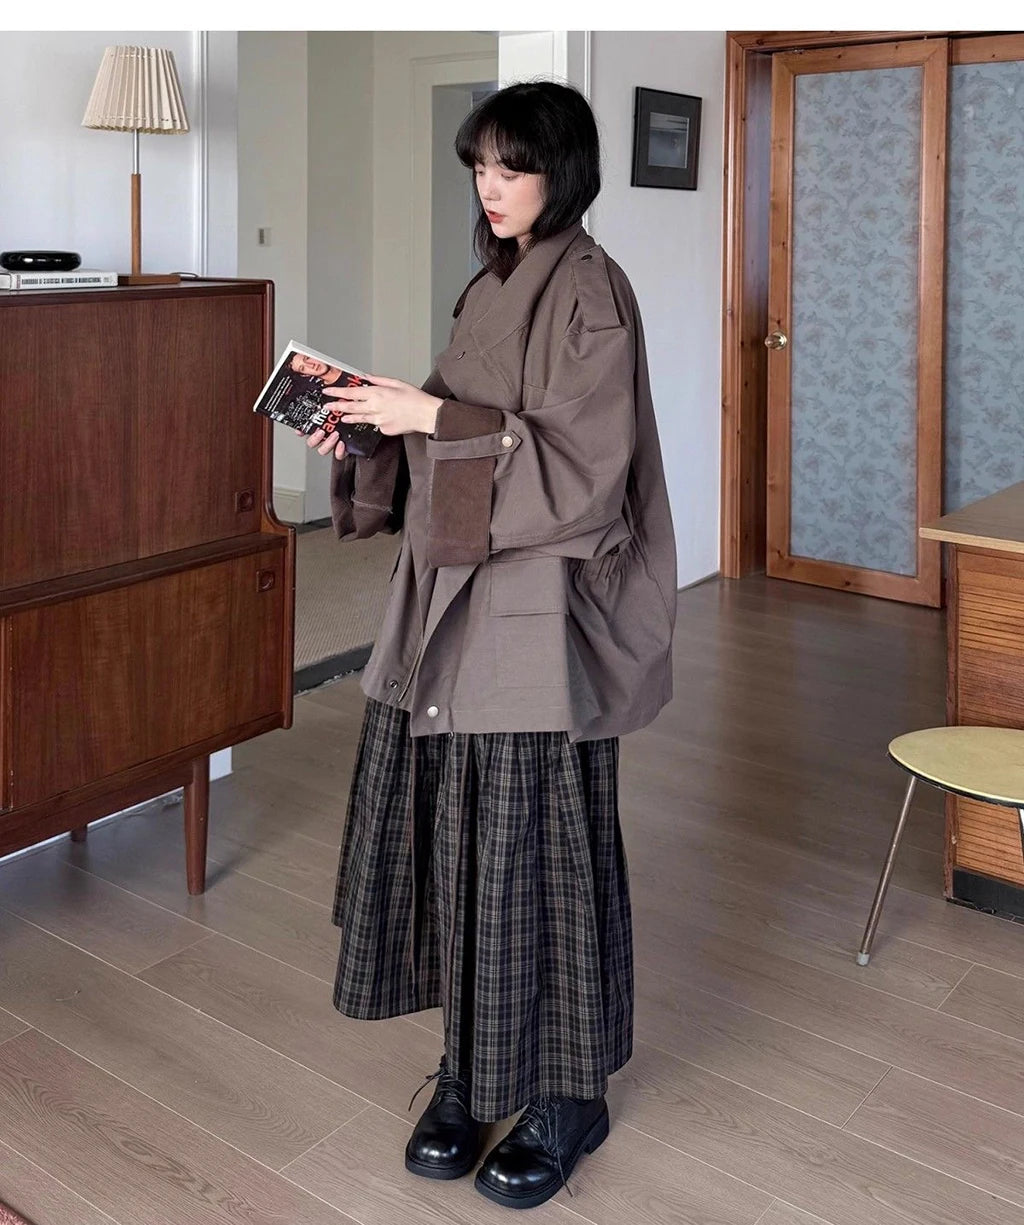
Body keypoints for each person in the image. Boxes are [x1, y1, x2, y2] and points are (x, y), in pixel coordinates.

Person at [305, 80, 676, 1211]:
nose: (491, 186)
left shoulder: (590, 290)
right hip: (453, 600)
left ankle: (568, 1094)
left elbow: (582, 470)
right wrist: (374, 425)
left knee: (540, 852)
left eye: (512, 166)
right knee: (460, 841)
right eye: (479, 166)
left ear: (563, 172)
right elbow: (454, 424)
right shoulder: (490, 284)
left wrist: (430, 420)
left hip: (537, 616)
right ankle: (473, 1069)